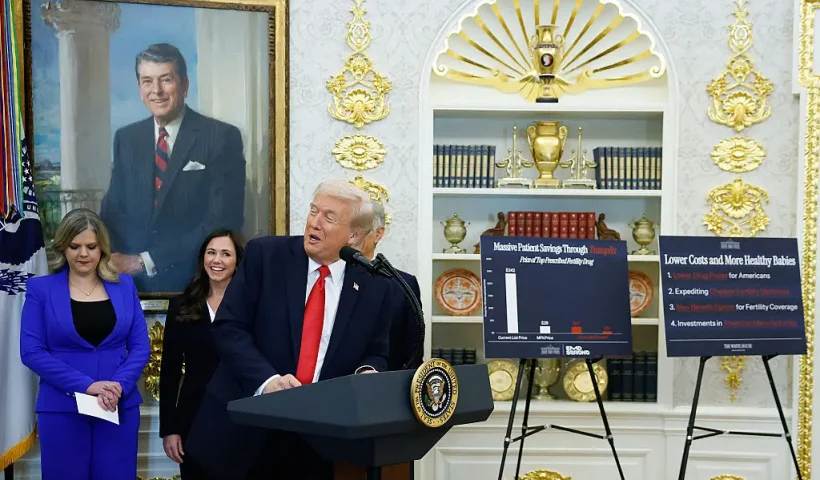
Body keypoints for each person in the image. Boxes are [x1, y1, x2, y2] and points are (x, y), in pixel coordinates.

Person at [184, 179, 403, 479]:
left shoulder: (376, 287)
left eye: (329, 217)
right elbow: (229, 326)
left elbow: (376, 352)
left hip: (315, 441)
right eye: (314, 211)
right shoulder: (265, 256)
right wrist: (268, 381)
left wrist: (367, 372)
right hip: (241, 431)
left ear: (353, 236)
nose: (314, 222)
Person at [100, 42, 246, 293]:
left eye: (166, 79)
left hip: (195, 284)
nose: (156, 91)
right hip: (129, 286)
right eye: (147, 81)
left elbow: (222, 220)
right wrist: (109, 258)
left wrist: (144, 261)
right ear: (139, 87)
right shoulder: (126, 138)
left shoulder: (221, 137)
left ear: (185, 85)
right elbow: (113, 210)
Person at [19, 208, 150, 479]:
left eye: (91, 246)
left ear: (102, 247)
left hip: (118, 407)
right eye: (74, 246)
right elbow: (31, 352)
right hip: (62, 409)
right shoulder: (41, 290)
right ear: (62, 247)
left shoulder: (125, 285)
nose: (83, 254)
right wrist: (87, 386)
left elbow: (140, 347)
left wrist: (118, 387)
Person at [158, 228, 245, 478]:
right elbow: (170, 372)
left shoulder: (252, 304)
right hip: (193, 418)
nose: (217, 260)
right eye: (211, 253)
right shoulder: (181, 306)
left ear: (237, 261)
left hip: (242, 417)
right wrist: (169, 429)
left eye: (225, 254)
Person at [355, 199, 424, 371]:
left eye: (360, 229)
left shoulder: (403, 285)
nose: (351, 236)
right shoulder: (324, 278)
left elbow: (412, 355)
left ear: (378, 234)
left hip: (383, 387)